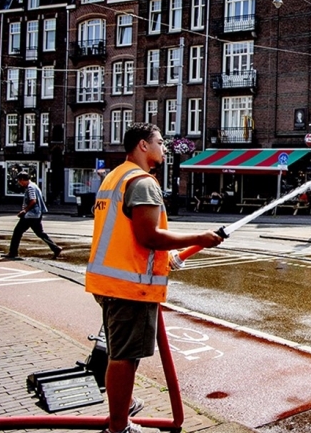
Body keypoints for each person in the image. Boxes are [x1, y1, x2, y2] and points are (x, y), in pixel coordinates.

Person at [85, 123, 224, 433]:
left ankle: (123, 406)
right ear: (143, 145)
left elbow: (126, 233)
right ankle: (119, 427)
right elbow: (149, 236)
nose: (164, 147)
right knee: (125, 357)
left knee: (120, 353)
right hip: (130, 286)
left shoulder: (115, 176)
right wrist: (199, 237)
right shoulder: (143, 182)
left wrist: (167, 256)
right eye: (160, 142)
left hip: (109, 281)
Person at [0, 172, 62, 260]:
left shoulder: (30, 187)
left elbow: (33, 200)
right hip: (36, 214)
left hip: (30, 215)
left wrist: (25, 210)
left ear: (22, 179)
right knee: (40, 233)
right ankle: (55, 248)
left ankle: (13, 253)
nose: (19, 183)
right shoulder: (34, 185)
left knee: (17, 232)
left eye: (19, 181)